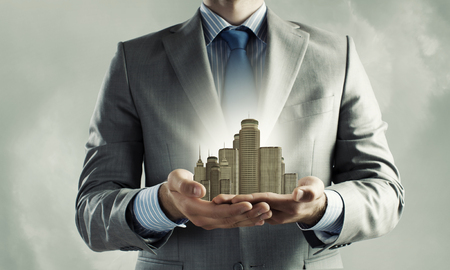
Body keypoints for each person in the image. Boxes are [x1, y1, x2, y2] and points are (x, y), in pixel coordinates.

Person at [76, 0, 405, 269]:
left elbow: (385, 192)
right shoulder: (135, 62)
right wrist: (163, 205)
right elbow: (92, 210)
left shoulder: (336, 57)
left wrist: (322, 208)